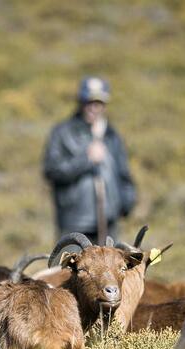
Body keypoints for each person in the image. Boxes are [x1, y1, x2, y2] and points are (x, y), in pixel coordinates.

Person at [43, 76, 136, 244]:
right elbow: (52, 170)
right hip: (75, 224)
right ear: (81, 102)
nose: (93, 107)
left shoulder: (112, 136)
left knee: (107, 269)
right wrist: (86, 159)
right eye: (89, 101)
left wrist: (125, 205)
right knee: (70, 270)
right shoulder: (63, 132)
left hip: (108, 224)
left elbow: (124, 174)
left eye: (99, 103)